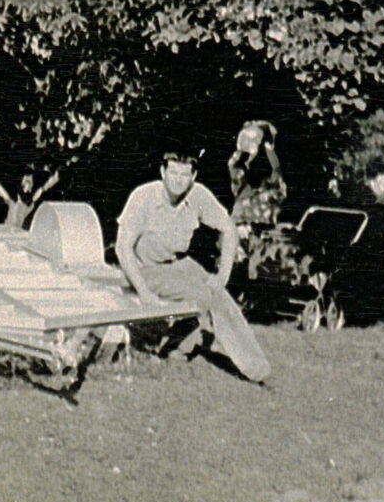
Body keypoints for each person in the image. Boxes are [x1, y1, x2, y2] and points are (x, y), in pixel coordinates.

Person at [115, 152, 272, 382]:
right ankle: (177, 347)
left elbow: (228, 228)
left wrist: (223, 275)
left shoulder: (198, 195)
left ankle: (257, 371)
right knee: (199, 295)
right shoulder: (144, 197)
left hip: (180, 263)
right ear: (162, 172)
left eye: (185, 174)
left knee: (219, 295)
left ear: (193, 176)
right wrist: (144, 291)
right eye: (173, 173)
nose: (178, 180)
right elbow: (122, 248)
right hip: (146, 268)